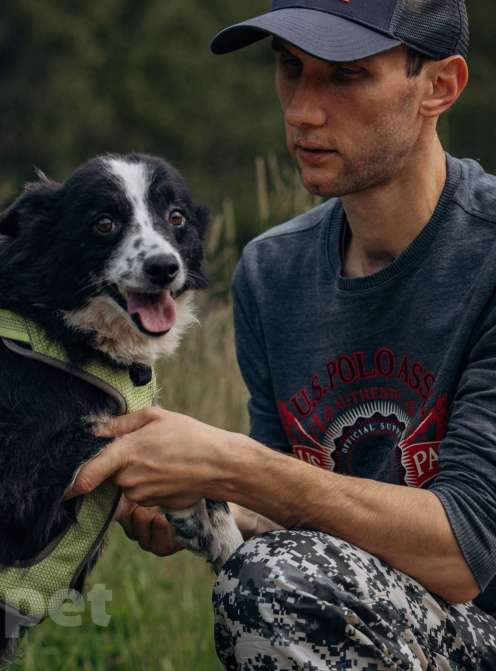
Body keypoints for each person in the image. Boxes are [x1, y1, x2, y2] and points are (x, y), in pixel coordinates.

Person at [65, 1, 496, 668]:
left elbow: (465, 550)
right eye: (291, 68)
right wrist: (200, 500)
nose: (302, 111)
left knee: (275, 583)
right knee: (272, 571)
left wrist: (231, 464)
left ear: (439, 86)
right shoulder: (273, 272)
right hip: (389, 616)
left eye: (346, 75)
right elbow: (291, 504)